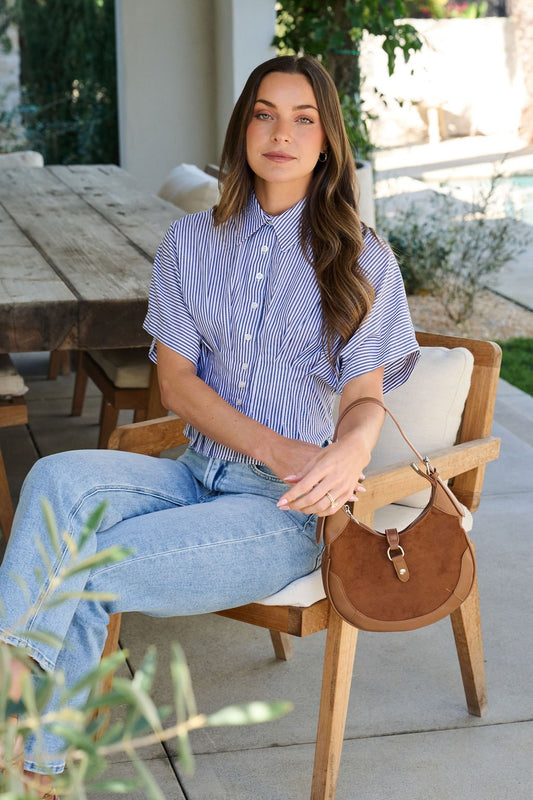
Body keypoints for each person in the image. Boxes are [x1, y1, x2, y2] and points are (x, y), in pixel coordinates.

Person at [0, 54, 419, 793]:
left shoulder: (360, 256)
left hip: (281, 509)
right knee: (54, 477)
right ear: (242, 130)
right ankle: (18, 703)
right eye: (264, 113)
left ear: (327, 142)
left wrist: (348, 452)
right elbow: (176, 381)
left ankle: (33, 761)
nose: (280, 133)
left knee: (88, 563)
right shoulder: (191, 243)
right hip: (195, 473)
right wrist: (269, 442)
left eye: (302, 118)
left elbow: (363, 395)